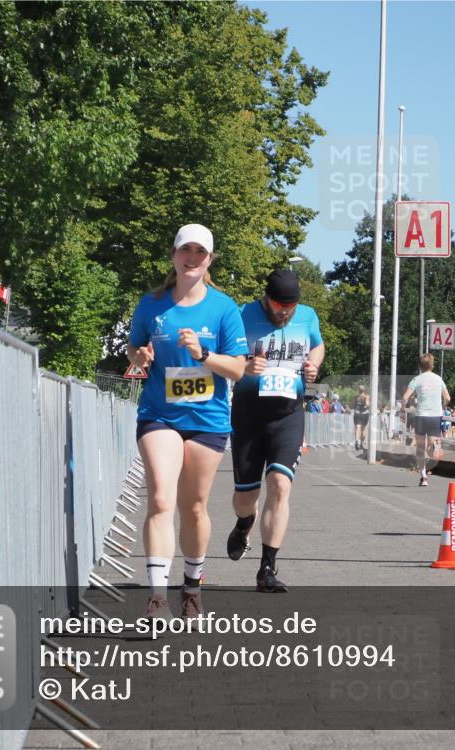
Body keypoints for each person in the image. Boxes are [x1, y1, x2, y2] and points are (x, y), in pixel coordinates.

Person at [126, 224, 249, 619]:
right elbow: (134, 347)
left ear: (209, 259)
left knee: (193, 506)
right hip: (159, 414)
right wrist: (139, 358)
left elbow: (237, 369)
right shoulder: (152, 304)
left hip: (207, 419)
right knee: (161, 498)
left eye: (200, 252)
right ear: (173, 255)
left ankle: (192, 584)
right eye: (185, 250)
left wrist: (202, 355)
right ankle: (157, 594)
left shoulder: (224, 308)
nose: (192, 257)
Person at [227, 269, 324, 593]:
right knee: (246, 498)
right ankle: (244, 523)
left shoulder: (308, 316)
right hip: (249, 414)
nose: (286, 311)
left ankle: (267, 569)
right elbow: (229, 354)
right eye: (280, 305)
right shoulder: (242, 314)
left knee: (280, 485)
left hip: (288, 415)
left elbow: (317, 346)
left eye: (291, 306)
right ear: (266, 298)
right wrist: (244, 364)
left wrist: (313, 364)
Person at [402, 353, 451, 487]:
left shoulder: (416, 379)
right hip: (435, 416)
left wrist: (402, 411)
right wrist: (442, 407)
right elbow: (448, 398)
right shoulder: (438, 379)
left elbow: (405, 398)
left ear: (420, 366)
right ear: (432, 365)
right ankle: (434, 446)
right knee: (430, 449)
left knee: (419, 448)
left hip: (421, 416)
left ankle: (423, 476)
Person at [353, 385, 370, 450]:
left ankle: (357, 442)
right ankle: (361, 443)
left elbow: (353, 405)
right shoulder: (367, 396)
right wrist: (366, 405)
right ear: (364, 390)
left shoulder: (356, 397)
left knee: (358, 427)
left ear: (358, 390)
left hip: (357, 413)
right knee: (363, 429)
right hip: (365, 414)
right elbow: (367, 405)